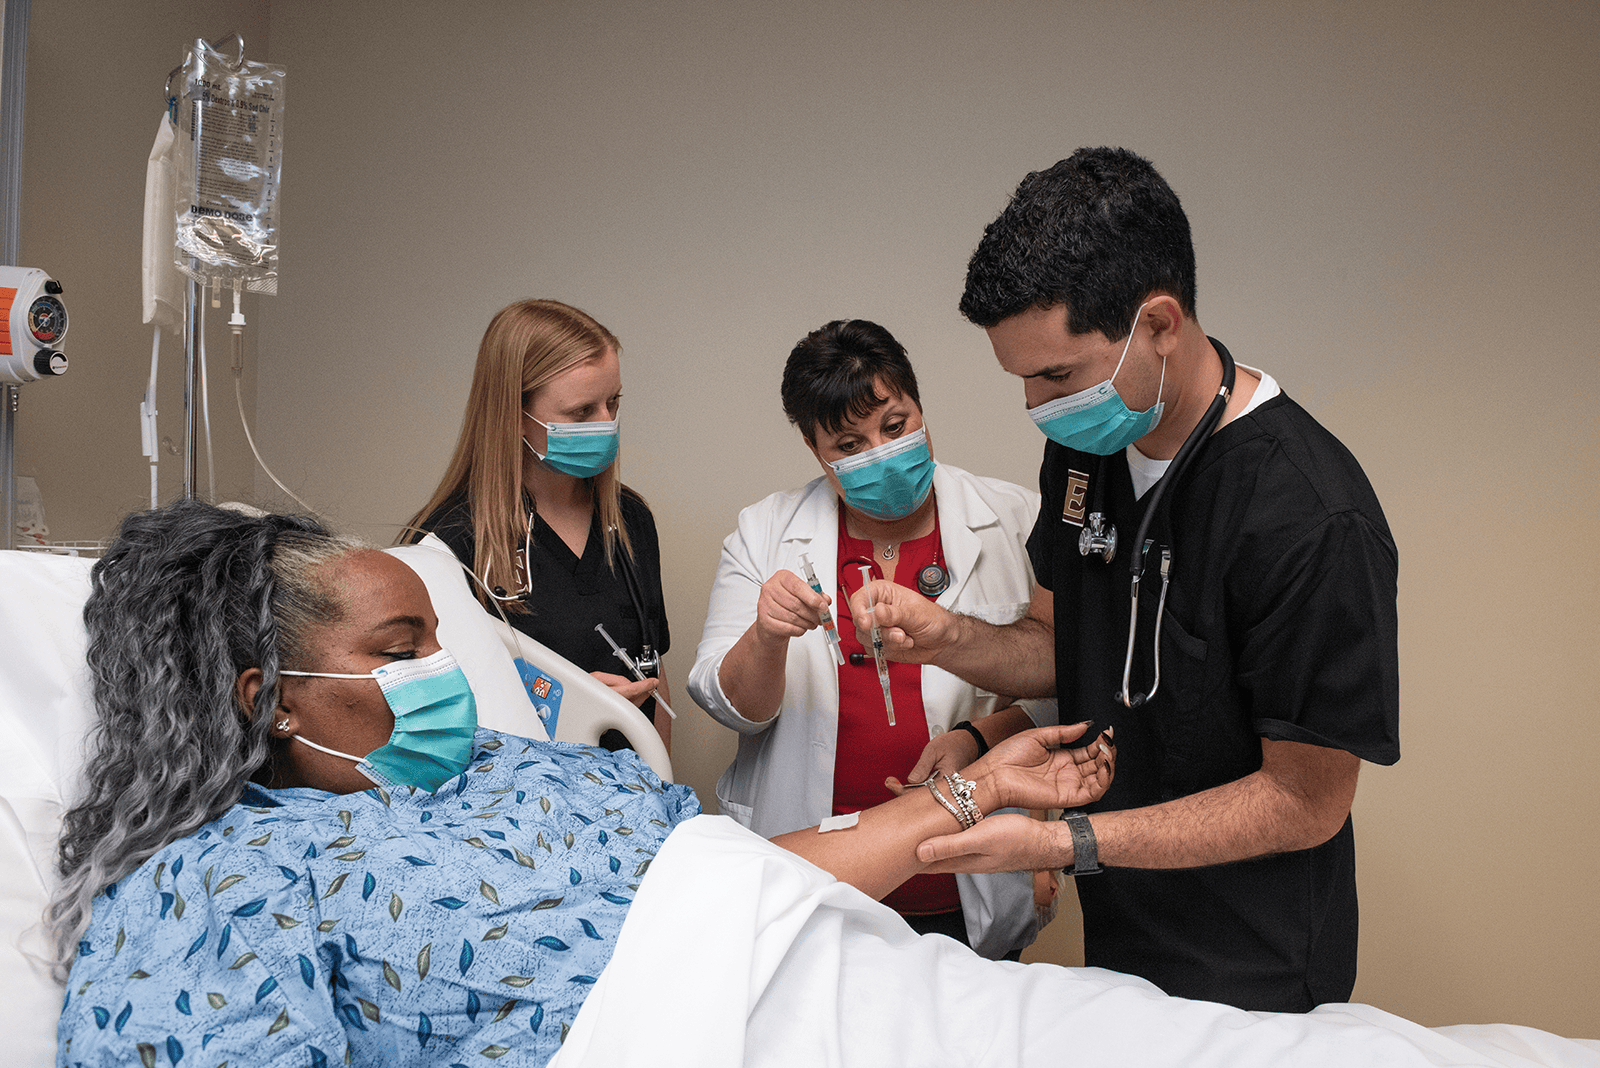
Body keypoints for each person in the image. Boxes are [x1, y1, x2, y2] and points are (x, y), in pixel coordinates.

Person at [49, 501, 1113, 1067]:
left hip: (857, 994)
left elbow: (729, 891)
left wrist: (971, 790)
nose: (444, 671)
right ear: (272, 697)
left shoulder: (515, 769)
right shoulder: (217, 889)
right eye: (400, 646)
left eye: (437, 634)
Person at [848, 147, 1401, 1012]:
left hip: (1253, 960)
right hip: (1121, 940)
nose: (1037, 404)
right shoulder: (1085, 449)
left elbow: (1304, 803)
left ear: (1159, 324)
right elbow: (1060, 647)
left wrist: (1067, 845)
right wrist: (948, 639)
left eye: (1058, 375)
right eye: (1022, 376)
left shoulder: (1307, 512)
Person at [688, 319, 1053, 959]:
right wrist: (766, 636)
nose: (881, 452)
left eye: (895, 425)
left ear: (919, 406)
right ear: (814, 449)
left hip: (966, 876)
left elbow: (1065, 683)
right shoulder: (765, 530)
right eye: (850, 444)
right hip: (819, 879)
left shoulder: (1017, 519)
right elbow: (729, 706)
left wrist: (1020, 796)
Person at [404, 299, 672, 751]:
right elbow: (433, 727)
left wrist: (663, 789)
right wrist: (571, 709)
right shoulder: (448, 548)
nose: (607, 425)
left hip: (632, 798)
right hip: (524, 805)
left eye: (613, 402)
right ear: (513, 415)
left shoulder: (629, 521)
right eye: (582, 412)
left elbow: (654, 677)